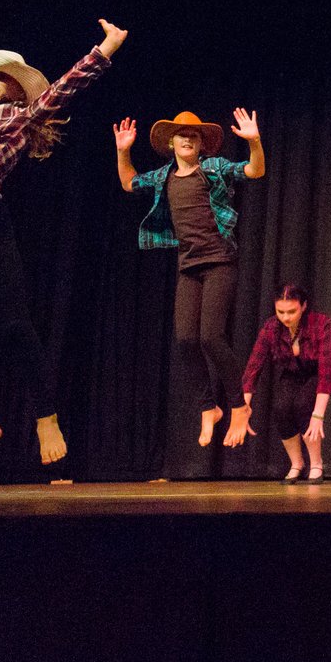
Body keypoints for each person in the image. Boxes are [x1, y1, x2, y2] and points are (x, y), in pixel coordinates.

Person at [0, 21, 126, 477]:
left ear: (15, 89)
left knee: (14, 323)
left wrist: (108, 47)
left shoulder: (21, 115)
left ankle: (45, 417)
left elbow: (66, 86)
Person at [114, 108, 265, 449]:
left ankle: (238, 406)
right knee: (185, 340)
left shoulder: (213, 169)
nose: (187, 139)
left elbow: (254, 171)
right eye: (181, 134)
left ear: (200, 144)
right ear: (171, 142)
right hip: (189, 266)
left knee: (211, 337)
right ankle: (209, 407)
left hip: (220, 261)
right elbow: (128, 182)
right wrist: (123, 152)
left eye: (193, 135)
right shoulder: (163, 177)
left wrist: (254, 142)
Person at [237, 284, 331, 483]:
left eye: (292, 311)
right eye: (280, 312)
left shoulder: (321, 323)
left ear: (304, 306)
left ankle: (316, 464)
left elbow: (327, 372)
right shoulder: (271, 328)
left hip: (320, 371)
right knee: (281, 408)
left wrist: (318, 415)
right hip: (294, 371)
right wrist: (242, 409)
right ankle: (297, 463)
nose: (286, 317)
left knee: (303, 405)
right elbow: (253, 368)